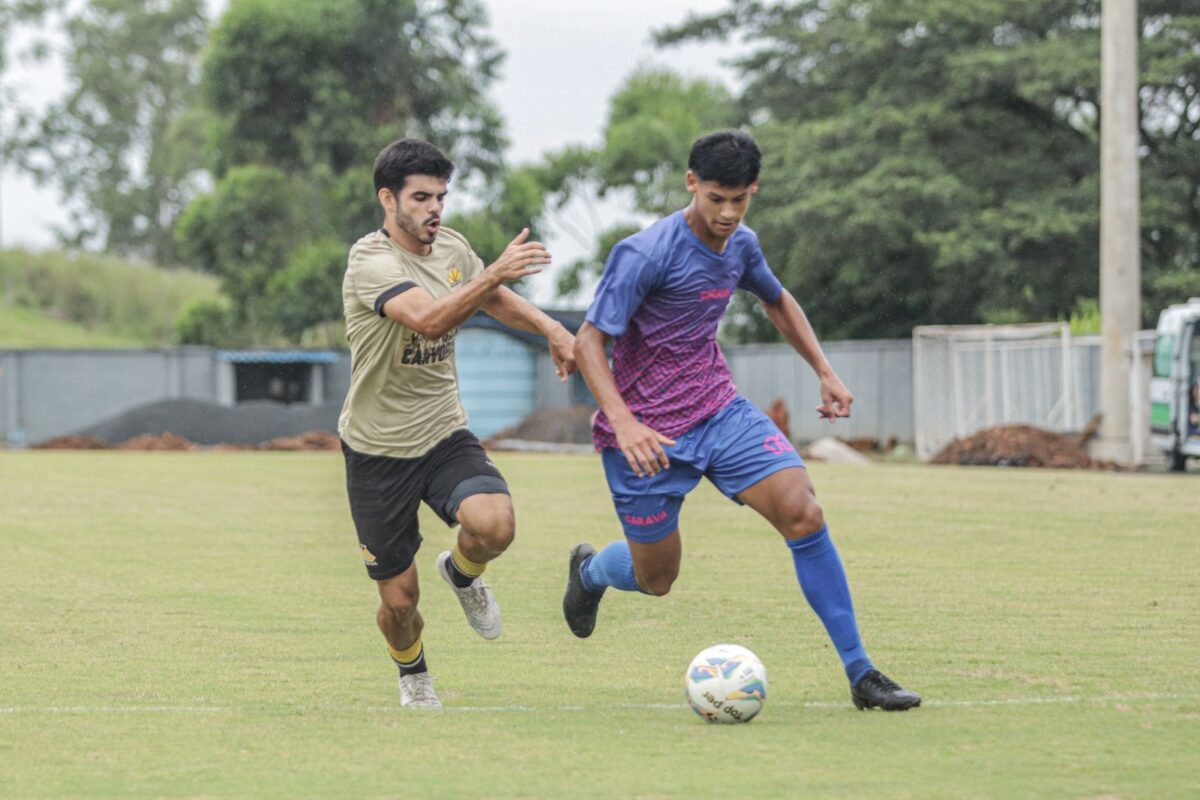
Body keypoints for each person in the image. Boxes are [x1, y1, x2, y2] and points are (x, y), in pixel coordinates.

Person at [562, 130, 920, 711]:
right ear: (691, 185)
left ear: (752, 191)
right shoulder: (645, 252)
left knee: (804, 511)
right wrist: (624, 423)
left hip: (717, 410)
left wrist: (824, 371)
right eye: (715, 199)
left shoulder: (743, 245)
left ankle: (862, 674)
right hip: (645, 434)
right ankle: (592, 573)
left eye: (740, 199)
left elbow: (777, 300)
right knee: (657, 578)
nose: (727, 213)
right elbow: (588, 341)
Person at [340, 138, 575, 708]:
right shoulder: (371, 262)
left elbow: (492, 302)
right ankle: (413, 674)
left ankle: (464, 573)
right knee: (399, 604)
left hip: (442, 431)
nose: (434, 208)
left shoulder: (451, 247)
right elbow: (428, 319)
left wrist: (553, 329)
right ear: (387, 199)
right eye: (421, 197)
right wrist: (491, 272)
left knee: (495, 524)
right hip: (376, 450)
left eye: (441, 196)